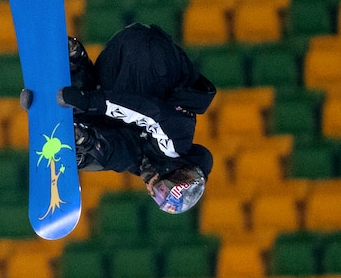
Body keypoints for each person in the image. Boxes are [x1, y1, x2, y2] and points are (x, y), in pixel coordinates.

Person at [29, 22, 216, 214]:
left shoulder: (147, 159)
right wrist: (90, 102)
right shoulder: (177, 144)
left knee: (110, 143)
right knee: (103, 112)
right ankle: (83, 129)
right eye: (161, 192)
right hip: (151, 62)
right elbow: (148, 112)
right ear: (174, 175)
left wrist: (89, 143)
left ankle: (74, 63)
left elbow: (121, 153)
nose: (151, 191)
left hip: (124, 51)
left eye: (157, 199)